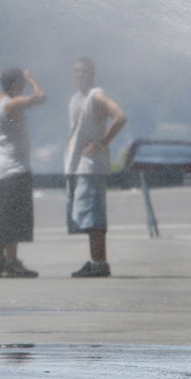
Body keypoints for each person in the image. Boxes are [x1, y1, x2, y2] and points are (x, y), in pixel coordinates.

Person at [0, 68, 46, 278]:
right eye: (21, 83)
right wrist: (32, 78)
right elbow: (40, 97)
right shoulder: (13, 103)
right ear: (16, 84)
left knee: (1, 216)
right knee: (13, 217)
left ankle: (1, 261)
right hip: (15, 167)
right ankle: (12, 262)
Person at [64, 57, 126, 278]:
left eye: (83, 71)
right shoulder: (75, 99)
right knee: (85, 218)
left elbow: (119, 116)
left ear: (92, 73)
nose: (79, 75)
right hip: (77, 165)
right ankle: (94, 260)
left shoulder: (96, 96)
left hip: (91, 166)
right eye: (76, 71)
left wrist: (101, 143)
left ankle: (100, 262)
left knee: (93, 217)